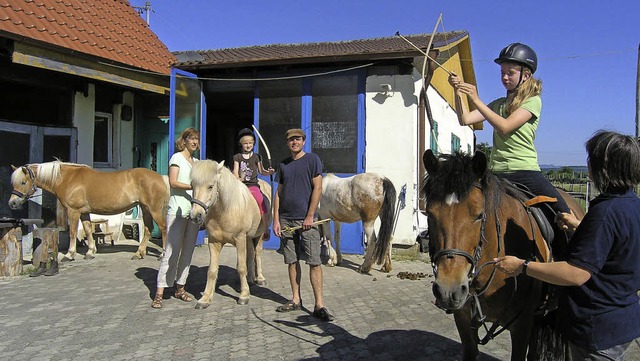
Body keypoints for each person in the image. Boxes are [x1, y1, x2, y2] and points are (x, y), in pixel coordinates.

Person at [494, 130, 640, 360]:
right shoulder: (632, 205)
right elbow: (617, 245)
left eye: (591, 157)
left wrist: (522, 266)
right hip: (621, 320)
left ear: (604, 167)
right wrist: (580, 226)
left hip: (597, 330)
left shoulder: (604, 213)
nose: (587, 162)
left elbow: (576, 274)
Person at [449, 42, 570, 216]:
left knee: (563, 212)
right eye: (502, 73)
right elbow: (465, 119)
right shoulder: (497, 104)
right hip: (496, 173)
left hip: (524, 171)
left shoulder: (533, 101)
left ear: (526, 75)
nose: (505, 77)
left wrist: (476, 100)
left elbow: (504, 127)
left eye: (510, 73)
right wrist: (458, 91)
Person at [272, 128, 334, 322]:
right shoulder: (283, 165)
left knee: (314, 261)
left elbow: (318, 187)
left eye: (297, 139)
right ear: (287, 143)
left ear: (304, 141)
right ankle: (296, 299)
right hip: (286, 220)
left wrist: (309, 215)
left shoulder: (312, 160)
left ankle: (319, 305)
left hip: (307, 220)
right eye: (291, 140)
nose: (294, 142)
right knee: (291, 260)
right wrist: (276, 220)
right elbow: (278, 194)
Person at [151, 127, 201, 309]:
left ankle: (180, 287)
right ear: (184, 141)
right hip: (177, 210)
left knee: (188, 251)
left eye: (197, 139)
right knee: (171, 251)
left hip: (193, 211)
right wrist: (193, 186)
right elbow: (173, 182)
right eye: (192, 139)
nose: (195, 142)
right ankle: (159, 292)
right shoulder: (177, 158)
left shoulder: (196, 162)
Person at [232, 128, 275, 240]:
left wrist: (269, 172)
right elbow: (235, 172)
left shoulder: (257, 157)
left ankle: (265, 228)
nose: (248, 145)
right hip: (241, 186)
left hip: (252, 185)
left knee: (260, 200)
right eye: (245, 143)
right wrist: (237, 179)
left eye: (250, 143)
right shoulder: (237, 157)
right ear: (241, 144)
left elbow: (262, 171)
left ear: (254, 143)